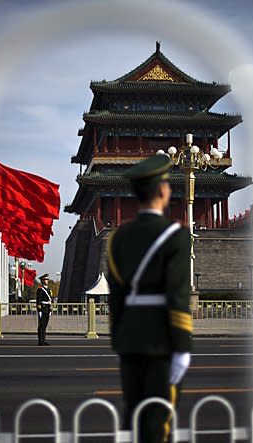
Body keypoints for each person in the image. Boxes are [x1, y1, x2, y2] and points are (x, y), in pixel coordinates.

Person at [106, 155, 193, 443]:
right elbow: (177, 295)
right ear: (163, 191)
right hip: (161, 342)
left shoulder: (117, 238)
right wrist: (182, 346)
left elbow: (116, 298)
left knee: (135, 420)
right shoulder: (175, 236)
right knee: (158, 424)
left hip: (129, 341)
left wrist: (118, 339)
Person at [36, 273, 53, 346]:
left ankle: (44, 340)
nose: (47, 281)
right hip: (42, 309)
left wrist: (50, 310)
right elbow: (38, 300)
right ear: (42, 281)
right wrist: (39, 310)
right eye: (45, 280)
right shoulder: (40, 289)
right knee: (41, 326)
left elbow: (50, 301)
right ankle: (40, 341)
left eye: (47, 280)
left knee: (45, 326)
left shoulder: (49, 289)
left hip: (47, 309)